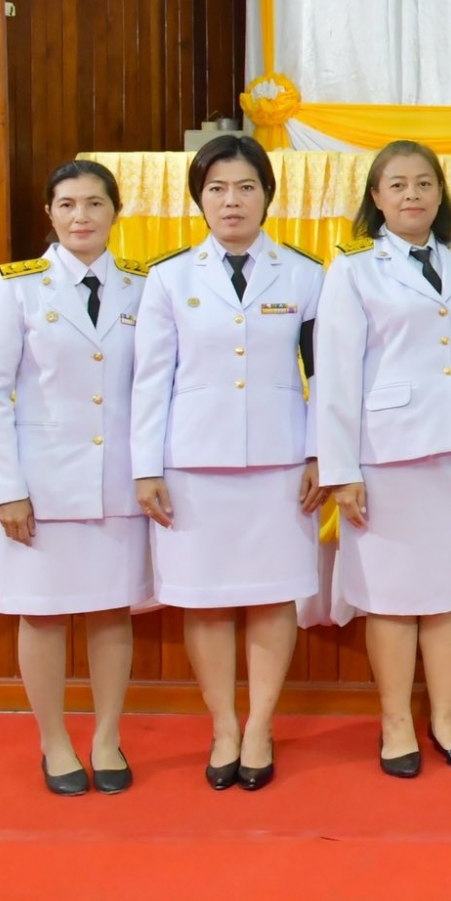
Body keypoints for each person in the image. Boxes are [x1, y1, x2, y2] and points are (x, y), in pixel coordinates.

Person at [130, 134, 326, 792]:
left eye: (245, 187)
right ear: (199, 199)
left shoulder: (304, 274)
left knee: (274, 599)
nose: (232, 201)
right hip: (194, 465)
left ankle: (260, 725)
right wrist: (146, 467)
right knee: (205, 603)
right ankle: (222, 726)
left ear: (268, 195)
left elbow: (324, 377)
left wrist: (323, 452)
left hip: (279, 465)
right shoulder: (169, 278)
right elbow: (150, 381)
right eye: (217, 189)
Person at [316, 140, 451, 778]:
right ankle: (396, 722)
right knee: (393, 597)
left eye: (424, 184)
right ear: (375, 198)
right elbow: (336, 376)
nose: (412, 196)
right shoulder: (351, 268)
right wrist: (340, 470)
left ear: (440, 193)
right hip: (386, 457)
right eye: (396, 186)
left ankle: (446, 718)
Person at [0, 159, 149, 796]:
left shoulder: (141, 285)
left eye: (96, 204)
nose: (82, 216)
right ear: (49, 214)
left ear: (115, 212)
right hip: (42, 487)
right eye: (69, 204)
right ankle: (54, 742)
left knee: (110, 613)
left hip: (117, 479)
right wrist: (9, 490)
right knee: (44, 615)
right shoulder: (16, 288)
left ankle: (106, 736)